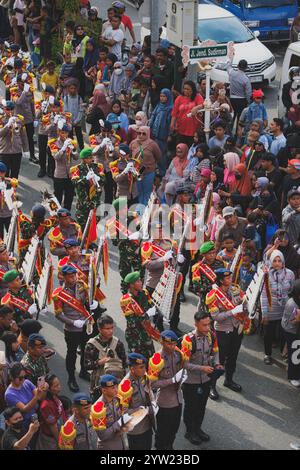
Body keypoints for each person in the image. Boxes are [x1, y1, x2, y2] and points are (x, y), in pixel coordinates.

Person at [52, 265, 96, 392]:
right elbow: (58, 314)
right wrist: (73, 322)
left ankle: (83, 370)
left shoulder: (82, 285)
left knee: (85, 350)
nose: (74, 278)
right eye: (71, 276)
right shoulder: (59, 294)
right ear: (64, 277)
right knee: (71, 354)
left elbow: (87, 300)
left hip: (85, 323)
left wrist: (92, 303)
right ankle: (71, 378)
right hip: (72, 328)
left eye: (75, 275)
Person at [206, 268, 249, 395]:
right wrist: (232, 312)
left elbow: (243, 301)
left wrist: (246, 304)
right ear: (220, 280)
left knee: (233, 357)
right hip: (223, 331)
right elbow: (216, 317)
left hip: (236, 329)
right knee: (219, 359)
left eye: (230, 277)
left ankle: (229, 380)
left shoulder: (234, 290)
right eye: (227, 278)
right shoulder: (212, 296)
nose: (230, 280)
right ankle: (211, 385)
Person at [182, 311, 223, 446]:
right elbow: (185, 364)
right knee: (191, 408)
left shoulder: (211, 334)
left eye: (208, 324)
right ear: (196, 324)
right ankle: (190, 432)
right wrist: (202, 369)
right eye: (204, 325)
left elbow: (215, 351)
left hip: (206, 379)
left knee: (201, 406)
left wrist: (216, 363)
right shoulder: (188, 340)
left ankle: (198, 429)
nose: (207, 328)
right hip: (190, 381)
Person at [261, 250, 295, 365]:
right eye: (274, 261)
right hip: (271, 309)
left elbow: (291, 290)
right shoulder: (266, 274)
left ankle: (283, 353)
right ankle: (267, 354)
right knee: (268, 334)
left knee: (283, 333)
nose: (277, 263)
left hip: (285, 309)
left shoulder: (289, 274)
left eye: (279, 260)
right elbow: (264, 295)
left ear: (283, 261)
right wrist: (264, 314)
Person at [84, 315, 127, 401]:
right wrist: (99, 362)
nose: (111, 331)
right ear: (100, 329)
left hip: (116, 383)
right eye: (107, 329)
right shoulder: (91, 345)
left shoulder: (117, 343)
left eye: (112, 328)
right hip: (100, 386)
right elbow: (87, 365)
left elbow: (124, 362)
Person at [153, 330, 184, 451]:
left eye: (174, 344)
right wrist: (171, 380)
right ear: (162, 342)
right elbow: (153, 384)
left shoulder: (178, 355)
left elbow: (183, 367)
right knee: (162, 432)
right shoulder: (156, 359)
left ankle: (169, 446)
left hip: (178, 398)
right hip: (164, 402)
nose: (172, 346)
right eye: (169, 344)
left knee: (174, 428)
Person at [120, 272, 160, 361]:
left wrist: (157, 309)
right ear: (131, 285)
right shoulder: (125, 301)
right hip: (134, 336)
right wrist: (147, 314)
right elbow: (132, 322)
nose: (141, 282)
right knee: (137, 362)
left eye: (140, 280)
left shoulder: (144, 293)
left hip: (146, 332)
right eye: (138, 281)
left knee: (151, 358)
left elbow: (151, 306)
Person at [106, 198, 142, 293]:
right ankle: (126, 296)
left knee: (139, 275)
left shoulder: (132, 215)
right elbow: (115, 242)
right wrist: (128, 237)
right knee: (125, 275)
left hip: (137, 250)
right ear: (117, 211)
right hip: (125, 253)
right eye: (123, 208)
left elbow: (140, 227)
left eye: (126, 207)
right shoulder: (112, 224)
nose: (126, 209)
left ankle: (138, 295)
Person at [125, 353, 156, 450]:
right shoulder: (125, 387)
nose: (144, 370)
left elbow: (149, 392)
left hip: (147, 424)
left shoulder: (144, 377)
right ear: (132, 369)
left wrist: (153, 403)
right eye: (141, 367)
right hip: (136, 429)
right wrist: (141, 410)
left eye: (144, 367)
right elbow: (122, 411)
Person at [70, 147, 105, 230]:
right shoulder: (76, 169)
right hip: (83, 205)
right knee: (82, 228)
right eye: (87, 158)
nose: (90, 160)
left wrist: (98, 178)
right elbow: (75, 182)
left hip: (95, 202)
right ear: (83, 159)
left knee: (93, 228)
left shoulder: (98, 167)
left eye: (91, 157)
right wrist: (86, 178)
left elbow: (104, 180)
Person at [4, 363, 47, 429]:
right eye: (20, 378)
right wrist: (36, 397)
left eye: (25, 377)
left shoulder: (26, 382)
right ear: (12, 377)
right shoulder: (9, 394)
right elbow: (24, 410)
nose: (23, 379)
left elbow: (40, 398)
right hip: (23, 423)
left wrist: (44, 390)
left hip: (35, 417)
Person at [49, 122, 79, 211]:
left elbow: (77, 157)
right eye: (62, 132)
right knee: (57, 197)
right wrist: (63, 148)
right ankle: (56, 216)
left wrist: (73, 149)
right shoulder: (53, 143)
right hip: (59, 174)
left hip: (70, 174)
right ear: (58, 132)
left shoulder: (71, 142)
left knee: (69, 197)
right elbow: (56, 157)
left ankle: (67, 216)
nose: (64, 135)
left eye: (66, 133)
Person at [130, 126, 161, 205]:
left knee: (147, 193)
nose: (141, 135)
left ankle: (146, 212)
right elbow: (129, 155)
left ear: (148, 134)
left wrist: (150, 165)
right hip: (137, 172)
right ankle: (140, 211)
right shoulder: (133, 143)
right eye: (139, 133)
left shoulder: (153, 144)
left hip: (148, 172)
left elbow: (158, 156)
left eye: (144, 134)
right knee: (139, 192)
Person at [192, 241, 225, 316]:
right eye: (210, 253)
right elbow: (196, 287)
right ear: (203, 254)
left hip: (219, 297)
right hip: (206, 298)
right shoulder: (198, 268)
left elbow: (224, 278)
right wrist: (210, 287)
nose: (213, 255)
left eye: (214, 252)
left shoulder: (220, 263)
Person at [36, 374, 66, 450]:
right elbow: (53, 427)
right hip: (51, 440)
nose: (59, 387)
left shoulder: (54, 395)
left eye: (59, 384)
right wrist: (60, 443)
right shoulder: (46, 406)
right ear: (49, 389)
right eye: (56, 386)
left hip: (61, 431)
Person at [0, 101, 29, 178]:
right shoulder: (1, 119)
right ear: (4, 109)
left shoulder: (19, 119)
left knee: (15, 173)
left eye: (11, 109)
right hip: (5, 150)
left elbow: (23, 135)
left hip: (17, 150)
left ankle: (13, 189)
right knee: (4, 174)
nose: (10, 111)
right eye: (7, 109)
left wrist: (26, 149)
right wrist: (7, 125)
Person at [170, 81, 204, 147]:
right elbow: (174, 113)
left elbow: (203, 105)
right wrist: (172, 124)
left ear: (193, 89)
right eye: (184, 88)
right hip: (181, 129)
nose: (185, 91)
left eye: (188, 89)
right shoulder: (179, 98)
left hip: (194, 129)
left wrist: (196, 107)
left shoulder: (197, 97)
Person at [149, 88, 173, 175]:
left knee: (161, 154)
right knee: (156, 153)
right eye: (161, 96)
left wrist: (170, 134)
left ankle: (163, 172)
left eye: (164, 96)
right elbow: (153, 116)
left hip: (163, 135)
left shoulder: (170, 108)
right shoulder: (159, 106)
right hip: (155, 134)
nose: (162, 98)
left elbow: (170, 123)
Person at [281, 280, 300, 388]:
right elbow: (290, 323)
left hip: (296, 330)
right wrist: (297, 320)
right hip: (292, 332)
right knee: (295, 354)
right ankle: (293, 376)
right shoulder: (292, 304)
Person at [227, 58, 252, 127]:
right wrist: (249, 102)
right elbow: (248, 93)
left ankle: (230, 131)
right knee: (240, 118)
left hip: (232, 99)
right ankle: (237, 134)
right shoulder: (246, 79)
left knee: (232, 116)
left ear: (238, 65)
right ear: (246, 67)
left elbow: (228, 66)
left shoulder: (232, 73)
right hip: (241, 100)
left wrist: (231, 58)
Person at [63, 82, 84, 151]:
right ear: (68, 89)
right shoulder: (65, 98)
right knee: (70, 135)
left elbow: (81, 110)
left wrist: (76, 120)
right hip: (69, 121)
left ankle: (82, 148)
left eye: (74, 88)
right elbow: (65, 110)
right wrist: (69, 120)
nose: (73, 90)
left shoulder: (79, 98)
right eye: (71, 88)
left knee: (79, 135)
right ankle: (72, 149)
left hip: (77, 121)